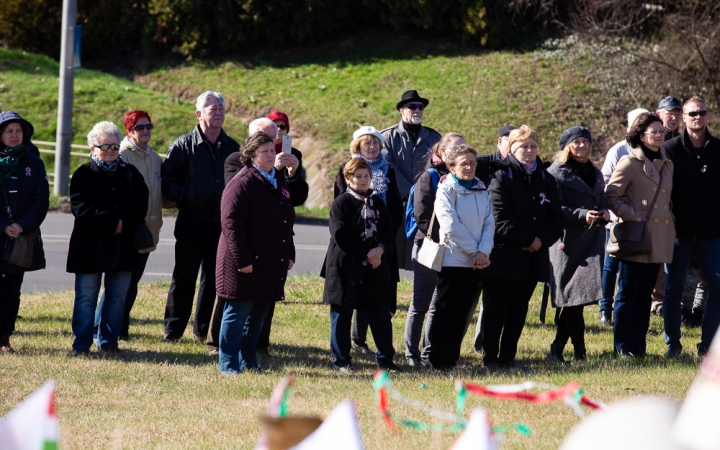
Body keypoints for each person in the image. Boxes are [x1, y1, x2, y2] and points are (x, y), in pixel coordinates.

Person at [208, 116, 306, 355]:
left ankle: (256, 347)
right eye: (265, 140)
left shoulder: (282, 160)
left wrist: (291, 173)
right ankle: (218, 346)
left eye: (275, 138)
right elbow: (237, 203)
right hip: (246, 244)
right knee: (233, 299)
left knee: (264, 301)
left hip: (273, 243)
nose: (272, 145)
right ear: (250, 140)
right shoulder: (235, 160)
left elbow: (296, 200)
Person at [481, 125, 564, 369]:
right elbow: (499, 218)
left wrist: (539, 240)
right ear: (512, 149)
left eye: (532, 146)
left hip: (532, 259)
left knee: (519, 310)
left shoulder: (546, 178)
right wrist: (529, 239)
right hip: (504, 257)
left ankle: (508, 357)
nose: (528, 151)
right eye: (522, 146)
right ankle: (490, 358)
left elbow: (556, 218)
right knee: (496, 310)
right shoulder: (500, 176)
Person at [161, 91, 240, 341]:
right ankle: (173, 331)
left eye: (221, 108)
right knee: (184, 277)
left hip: (221, 225)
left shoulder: (233, 148)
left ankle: (203, 330)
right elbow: (167, 179)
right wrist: (187, 197)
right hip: (191, 222)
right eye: (212, 108)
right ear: (199, 114)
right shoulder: (183, 145)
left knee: (213, 280)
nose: (218, 112)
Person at [67, 121, 149, 354]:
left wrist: (124, 224)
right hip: (89, 246)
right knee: (86, 296)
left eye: (115, 146)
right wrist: (113, 223)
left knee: (117, 298)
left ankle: (108, 342)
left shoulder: (131, 173)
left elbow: (140, 205)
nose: (112, 151)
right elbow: (80, 208)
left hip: (124, 245)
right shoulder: (83, 174)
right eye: (106, 146)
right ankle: (82, 344)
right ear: (93, 148)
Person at [321, 157, 400, 373]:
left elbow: (389, 230)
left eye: (366, 176)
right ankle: (342, 361)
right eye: (358, 176)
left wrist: (380, 249)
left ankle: (385, 360)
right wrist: (366, 254)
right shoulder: (342, 203)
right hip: (347, 266)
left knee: (381, 314)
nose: (363, 180)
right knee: (342, 315)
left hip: (375, 267)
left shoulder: (378, 202)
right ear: (348, 178)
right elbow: (340, 233)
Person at [606, 112, 674, 357]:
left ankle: (639, 346)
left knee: (645, 296)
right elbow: (610, 195)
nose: (658, 136)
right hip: (635, 238)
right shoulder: (629, 162)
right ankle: (622, 347)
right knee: (627, 294)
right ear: (641, 136)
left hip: (657, 238)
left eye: (661, 132)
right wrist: (632, 214)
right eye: (653, 132)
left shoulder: (668, 164)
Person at [332, 126, 403, 355]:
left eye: (375, 143)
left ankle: (381, 350)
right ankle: (355, 341)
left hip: (381, 244)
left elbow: (394, 207)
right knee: (349, 299)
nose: (372, 147)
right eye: (367, 143)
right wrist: (365, 250)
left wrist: (382, 245)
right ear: (357, 146)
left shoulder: (387, 171)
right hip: (354, 247)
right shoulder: (347, 170)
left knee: (379, 299)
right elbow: (342, 213)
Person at [95, 110, 163, 340]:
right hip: (127, 231)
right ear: (129, 130)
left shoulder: (155, 157)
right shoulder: (121, 153)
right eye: (139, 127)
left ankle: (119, 329)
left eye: (148, 126)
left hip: (148, 232)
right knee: (119, 285)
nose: (145, 131)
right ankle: (101, 329)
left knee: (131, 284)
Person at [426, 144, 494, 370]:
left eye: (472, 163)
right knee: (446, 310)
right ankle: (438, 359)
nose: (469, 167)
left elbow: (488, 223)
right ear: (452, 167)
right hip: (453, 260)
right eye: (464, 163)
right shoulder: (446, 189)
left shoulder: (481, 188)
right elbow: (450, 225)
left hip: (476, 262)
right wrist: (476, 251)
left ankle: (451, 359)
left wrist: (484, 252)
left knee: (462, 312)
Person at [661, 96, 720, 357]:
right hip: (678, 235)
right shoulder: (669, 149)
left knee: (718, 290)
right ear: (683, 118)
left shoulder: (719, 149)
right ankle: (673, 344)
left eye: (702, 113)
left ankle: (708, 346)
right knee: (673, 291)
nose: (698, 117)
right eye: (693, 113)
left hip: (712, 236)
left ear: (708, 116)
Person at [547, 126, 609, 362]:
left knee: (577, 300)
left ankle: (562, 349)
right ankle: (574, 352)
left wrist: (604, 212)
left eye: (585, 141)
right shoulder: (555, 173)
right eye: (576, 142)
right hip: (567, 242)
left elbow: (601, 200)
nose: (582, 146)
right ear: (567, 146)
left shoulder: (595, 172)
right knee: (573, 299)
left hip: (591, 241)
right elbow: (555, 208)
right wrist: (581, 214)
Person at [405, 132, 465, 367]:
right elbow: (422, 215)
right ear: (442, 152)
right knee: (420, 303)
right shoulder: (428, 177)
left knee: (436, 304)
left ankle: (429, 353)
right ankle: (412, 354)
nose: (460, 152)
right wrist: (442, 238)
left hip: (453, 248)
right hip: (428, 245)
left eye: (464, 147)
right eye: (454, 148)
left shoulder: (463, 176)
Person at [0, 111, 49, 353]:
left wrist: (22, 225)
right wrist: (3, 225)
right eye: (9, 131)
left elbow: (41, 200)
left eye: (18, 131)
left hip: (21, 238)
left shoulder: (34, 162)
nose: (14, 135)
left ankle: (4, 339)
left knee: (12, 291)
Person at [598, 108, 650, 326]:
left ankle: (638, 311)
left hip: (646, 221)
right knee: (611, 264)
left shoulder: (655, 150)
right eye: (637, 123)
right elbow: (605, 181)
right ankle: (605, 309)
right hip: (619, 219)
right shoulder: (618, 150)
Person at [382, 89, 441, 269]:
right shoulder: (387, 136)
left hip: (425, 201)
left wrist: (422, 193)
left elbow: (439, 165)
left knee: (424, 252)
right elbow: (388, 165)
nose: (417, 110)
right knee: (393, 250)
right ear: (401, 110)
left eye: (420, 107)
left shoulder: (434, 137)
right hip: (398, 200)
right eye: (412, 107)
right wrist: (410, 191)